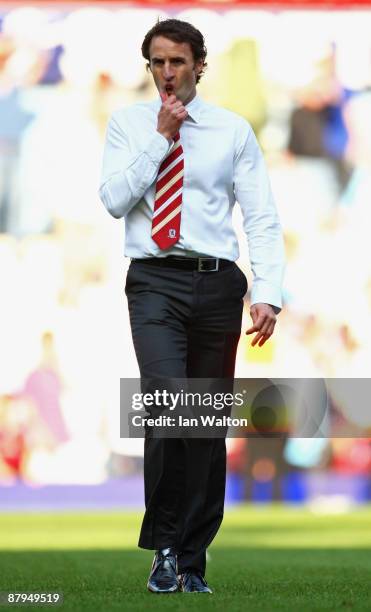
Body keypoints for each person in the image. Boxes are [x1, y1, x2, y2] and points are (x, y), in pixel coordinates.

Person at [99, 18, 285, 594]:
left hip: (217, 284)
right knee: (168, 406)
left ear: (199, 65)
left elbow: (260, 215)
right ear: (148, 66)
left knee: (203, 426)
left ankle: (193, 558)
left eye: (177, 61)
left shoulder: (232, 130)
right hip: (154, 280)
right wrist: (160, 135)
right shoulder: (129, 124)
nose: (167, 73)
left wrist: (269, 290)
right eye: (157, 62)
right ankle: (163, 548)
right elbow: (113, 201)